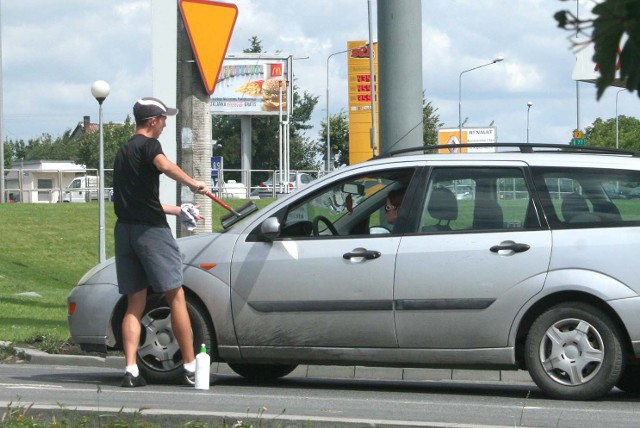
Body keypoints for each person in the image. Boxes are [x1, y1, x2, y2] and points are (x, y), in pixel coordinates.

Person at [112, 97, 209, 388]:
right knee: (175, 295)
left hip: (125, 232)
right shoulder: (150, 146)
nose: (166, 123)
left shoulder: (122, 151)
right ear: (152, 120)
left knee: (134, 303)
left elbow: (141, 200)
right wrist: (193, 184)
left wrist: (179, 210)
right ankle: (191, 368)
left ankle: (131, 370)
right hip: (151, 232)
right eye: (164, 118)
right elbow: (165, 166)